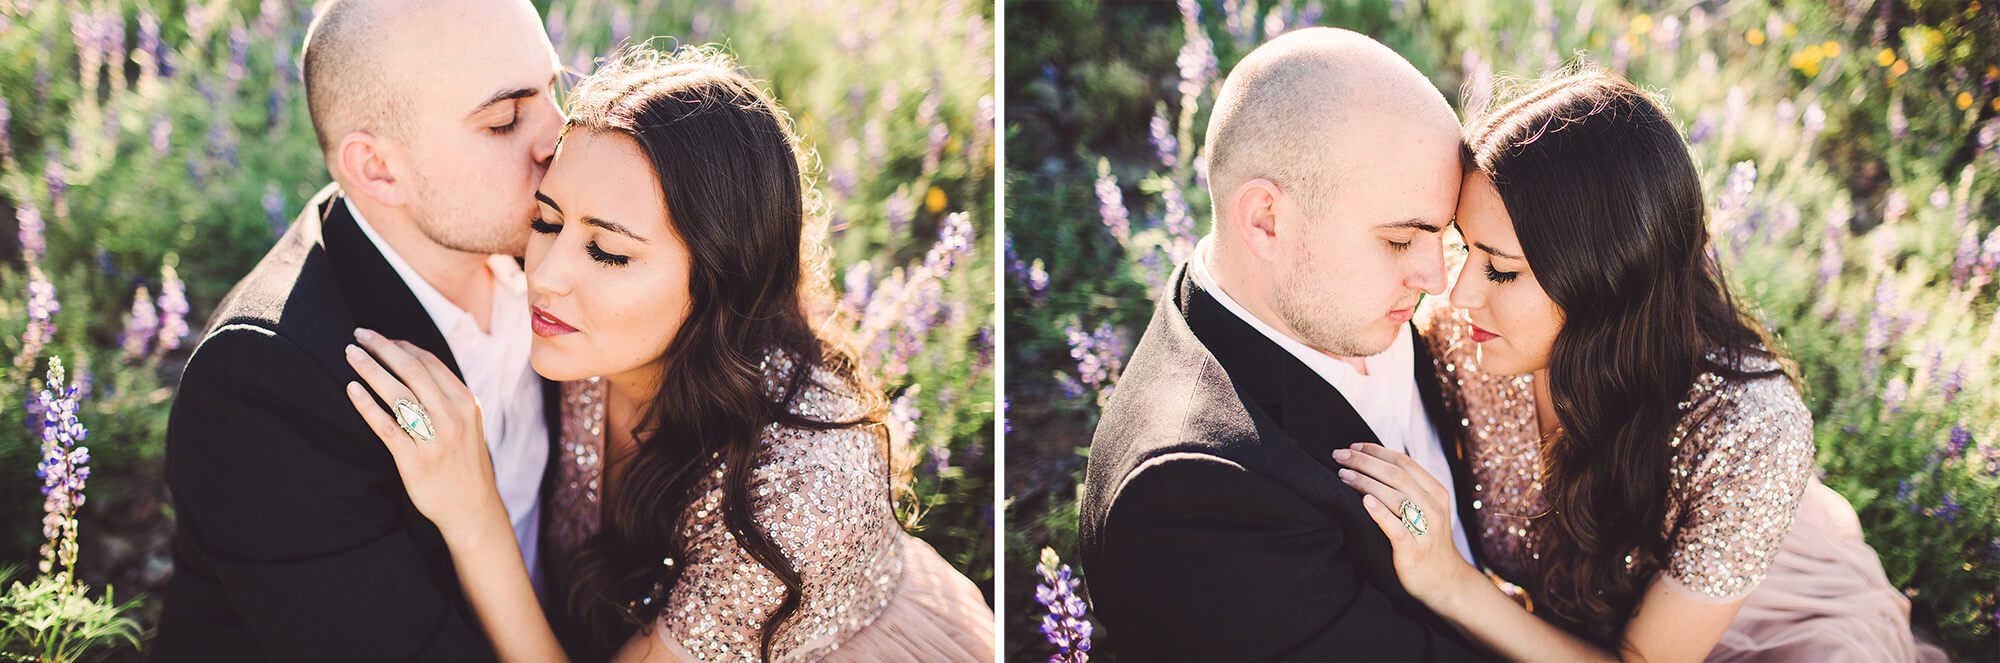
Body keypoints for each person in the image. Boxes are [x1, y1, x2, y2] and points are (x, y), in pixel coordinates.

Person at [339, 46, 995, 662]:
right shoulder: (597, 331)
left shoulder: (798, 496)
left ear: (717, 280)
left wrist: (473, 512)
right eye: (546, 221)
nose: (543, 273)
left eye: (609, 251)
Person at [1335, 66, 1941, 662]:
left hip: (1742, 622)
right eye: (1465, 247)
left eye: (1502, 269)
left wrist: (1449, 583)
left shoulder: (1748, 434)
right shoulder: (1462, 336)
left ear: (1606, 282)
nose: (1458, 292)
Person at [154, 0, 563, 659]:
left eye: (553, 89)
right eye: (505, 119)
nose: (557, 135)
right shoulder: (263, 386)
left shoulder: (554, 247)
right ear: (377, 168)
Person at [1077, 27, 1490, 660]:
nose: (1438, 281)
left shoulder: (1339, 301)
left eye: (1442, 235)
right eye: (1400, 240)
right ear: (1266, 220)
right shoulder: (1192, 497)